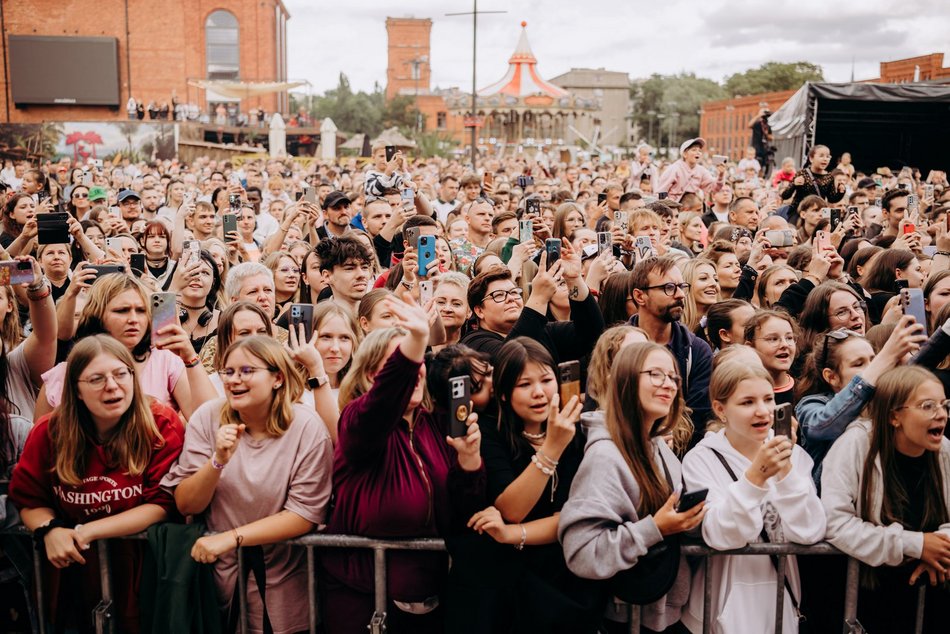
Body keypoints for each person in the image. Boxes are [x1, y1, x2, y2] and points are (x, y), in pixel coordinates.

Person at [320, 295, 485, 634]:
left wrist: (469, 464)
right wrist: (416, 342)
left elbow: (463, 514)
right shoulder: (357, 421)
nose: (413, 373)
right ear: (369, 377)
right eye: (398, 364)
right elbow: (384, 399)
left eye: (417, 366)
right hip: (365, 601)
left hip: (429, 599)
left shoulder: (435, 425)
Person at [10, 335, 184, 633]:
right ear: (76, 389)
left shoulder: (160, 423)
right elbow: (29, 496)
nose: (113, 386)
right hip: (74, 575)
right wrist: (50, 530)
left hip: (143, 575)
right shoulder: (50, 431)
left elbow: (162, 504)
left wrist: (86, 531)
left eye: (120, 374)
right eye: (96, 379)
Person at [162, 336, 334, 634]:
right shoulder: (208, 417)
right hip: (215, 585)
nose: (234, 380)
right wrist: (217, 461)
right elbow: (186, 504)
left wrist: (232, 537)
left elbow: (305, 514)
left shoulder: (307, 427)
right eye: (228, 372)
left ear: (277, 378)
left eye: (246, 371)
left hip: (282, 586)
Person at [451, 337, 602, 633]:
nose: (539, 393)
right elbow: (512, 507)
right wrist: (550, 451)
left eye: (546, 380)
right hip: (502, 592)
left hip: (561, 589)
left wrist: (511, 535)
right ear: (504, 394)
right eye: (524, 385)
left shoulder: (576, 432)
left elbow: (567, 519)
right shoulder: (486, 433)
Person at [560, 342, 705, 633]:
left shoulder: (655, 446)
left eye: (673, 377)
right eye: (655, 374)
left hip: (660, 612)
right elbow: (583, 553)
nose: (668, 384)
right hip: (624, 619)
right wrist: (656, 528)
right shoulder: (606, 456)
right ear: (626, 380)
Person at [680, 361, 825, 634]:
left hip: (780, 602)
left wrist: (784, 472)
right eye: (747, 402)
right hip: (721, 606)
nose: (762, 411)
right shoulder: (700, 460)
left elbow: (809, 531)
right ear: (720, 409)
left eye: (768, 399)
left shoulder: (793, 455)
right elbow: (722, 534)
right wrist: (756, 477)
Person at [821, 366, 950, 632]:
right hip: (871, 599)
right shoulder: (856, 445)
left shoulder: (945, 450)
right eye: (927, 406)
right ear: (895, 416)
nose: (941, 414)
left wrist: (941, 549)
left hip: (933, 595)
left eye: (944, 404)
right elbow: (835, 522)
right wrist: (916, 544)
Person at [36, 273, 217, 421]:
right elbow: (41, 448)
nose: (134, 319)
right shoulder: (63, 374)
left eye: (140, 311)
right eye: (122, 310)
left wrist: (190, 358)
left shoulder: (165, 361)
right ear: (97, 314)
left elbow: (210, 422)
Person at [628, 256, 714, 446]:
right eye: (669, 288)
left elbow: (699, 420)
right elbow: (598, 409)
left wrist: (674, 436)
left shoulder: (697, 351)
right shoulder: (615, 347)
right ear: (640, 296)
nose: (680, 295)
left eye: (682, 287)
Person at [743, 310, 799, 408]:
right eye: (773, 339)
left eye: (789, 338)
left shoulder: (806, 391)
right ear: (750, 347)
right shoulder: (742, 393)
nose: (785, 345)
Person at [681, 259, 720, 332]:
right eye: (703, 278)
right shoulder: (670, 326)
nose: (714, 284)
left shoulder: (723, 325)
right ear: (686, 285)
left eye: (716, 279)